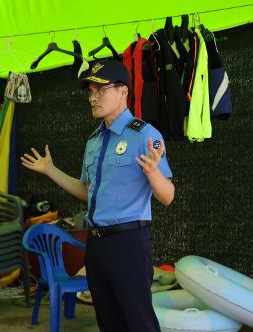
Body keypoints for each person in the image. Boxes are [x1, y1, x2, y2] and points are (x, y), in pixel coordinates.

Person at [21, 60, 174, 332]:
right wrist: (50, 170)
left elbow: (167, 196)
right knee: (107, 322)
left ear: (123, 92)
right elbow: (87, 192)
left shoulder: (145, 135)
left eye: (100, 90)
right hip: (97, 245)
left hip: (128, 243)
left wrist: (153, 173)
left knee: (139, 322)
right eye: (90, 91)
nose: (93, 97)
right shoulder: (94, 141)